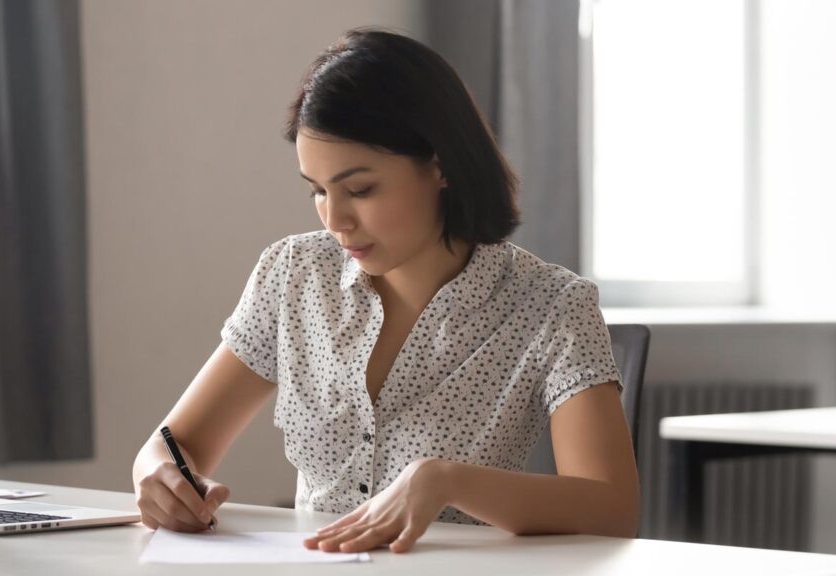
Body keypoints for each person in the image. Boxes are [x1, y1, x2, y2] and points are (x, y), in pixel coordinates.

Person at [132, 26, 639, 554]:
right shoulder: (293, 274)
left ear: (439, 166)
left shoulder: (552, 306)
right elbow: (172, 446)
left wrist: (444, 479)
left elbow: (611, 509)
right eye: (318, 191)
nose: (336, 219)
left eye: (359, 189)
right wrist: (160, 477)